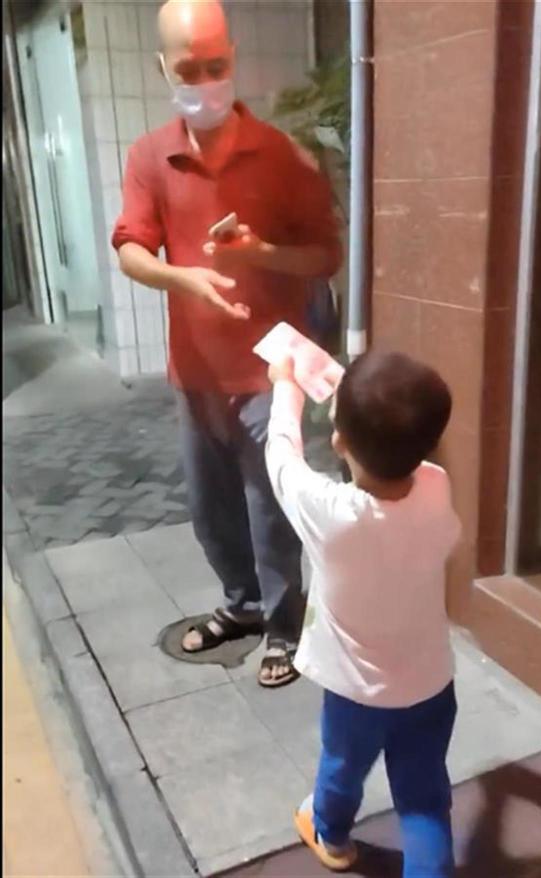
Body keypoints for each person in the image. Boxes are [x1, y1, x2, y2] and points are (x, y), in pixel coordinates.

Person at [112, 0, 341, 688]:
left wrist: (261, 251)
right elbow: (130, 247)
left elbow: (325, 256)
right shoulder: (151, 155)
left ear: (233, 60)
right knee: (211, 511)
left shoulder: (282, 156)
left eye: (216, 66)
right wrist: (184, 277)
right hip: (194, 375)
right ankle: (242, 607)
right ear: (163, 68)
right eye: (189, 69)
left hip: (272, 376)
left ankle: (282, 623)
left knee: (269, 510)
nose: (205, 81)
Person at [265, 351, 461, 876]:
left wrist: (286, 386)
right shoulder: (437, 486)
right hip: (430, 687)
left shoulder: (331, 514)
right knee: (423, 799)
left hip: (357, 696)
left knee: (342, 769)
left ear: (339, 443)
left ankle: (330, 835)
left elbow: (280, 458)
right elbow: (404, 452)